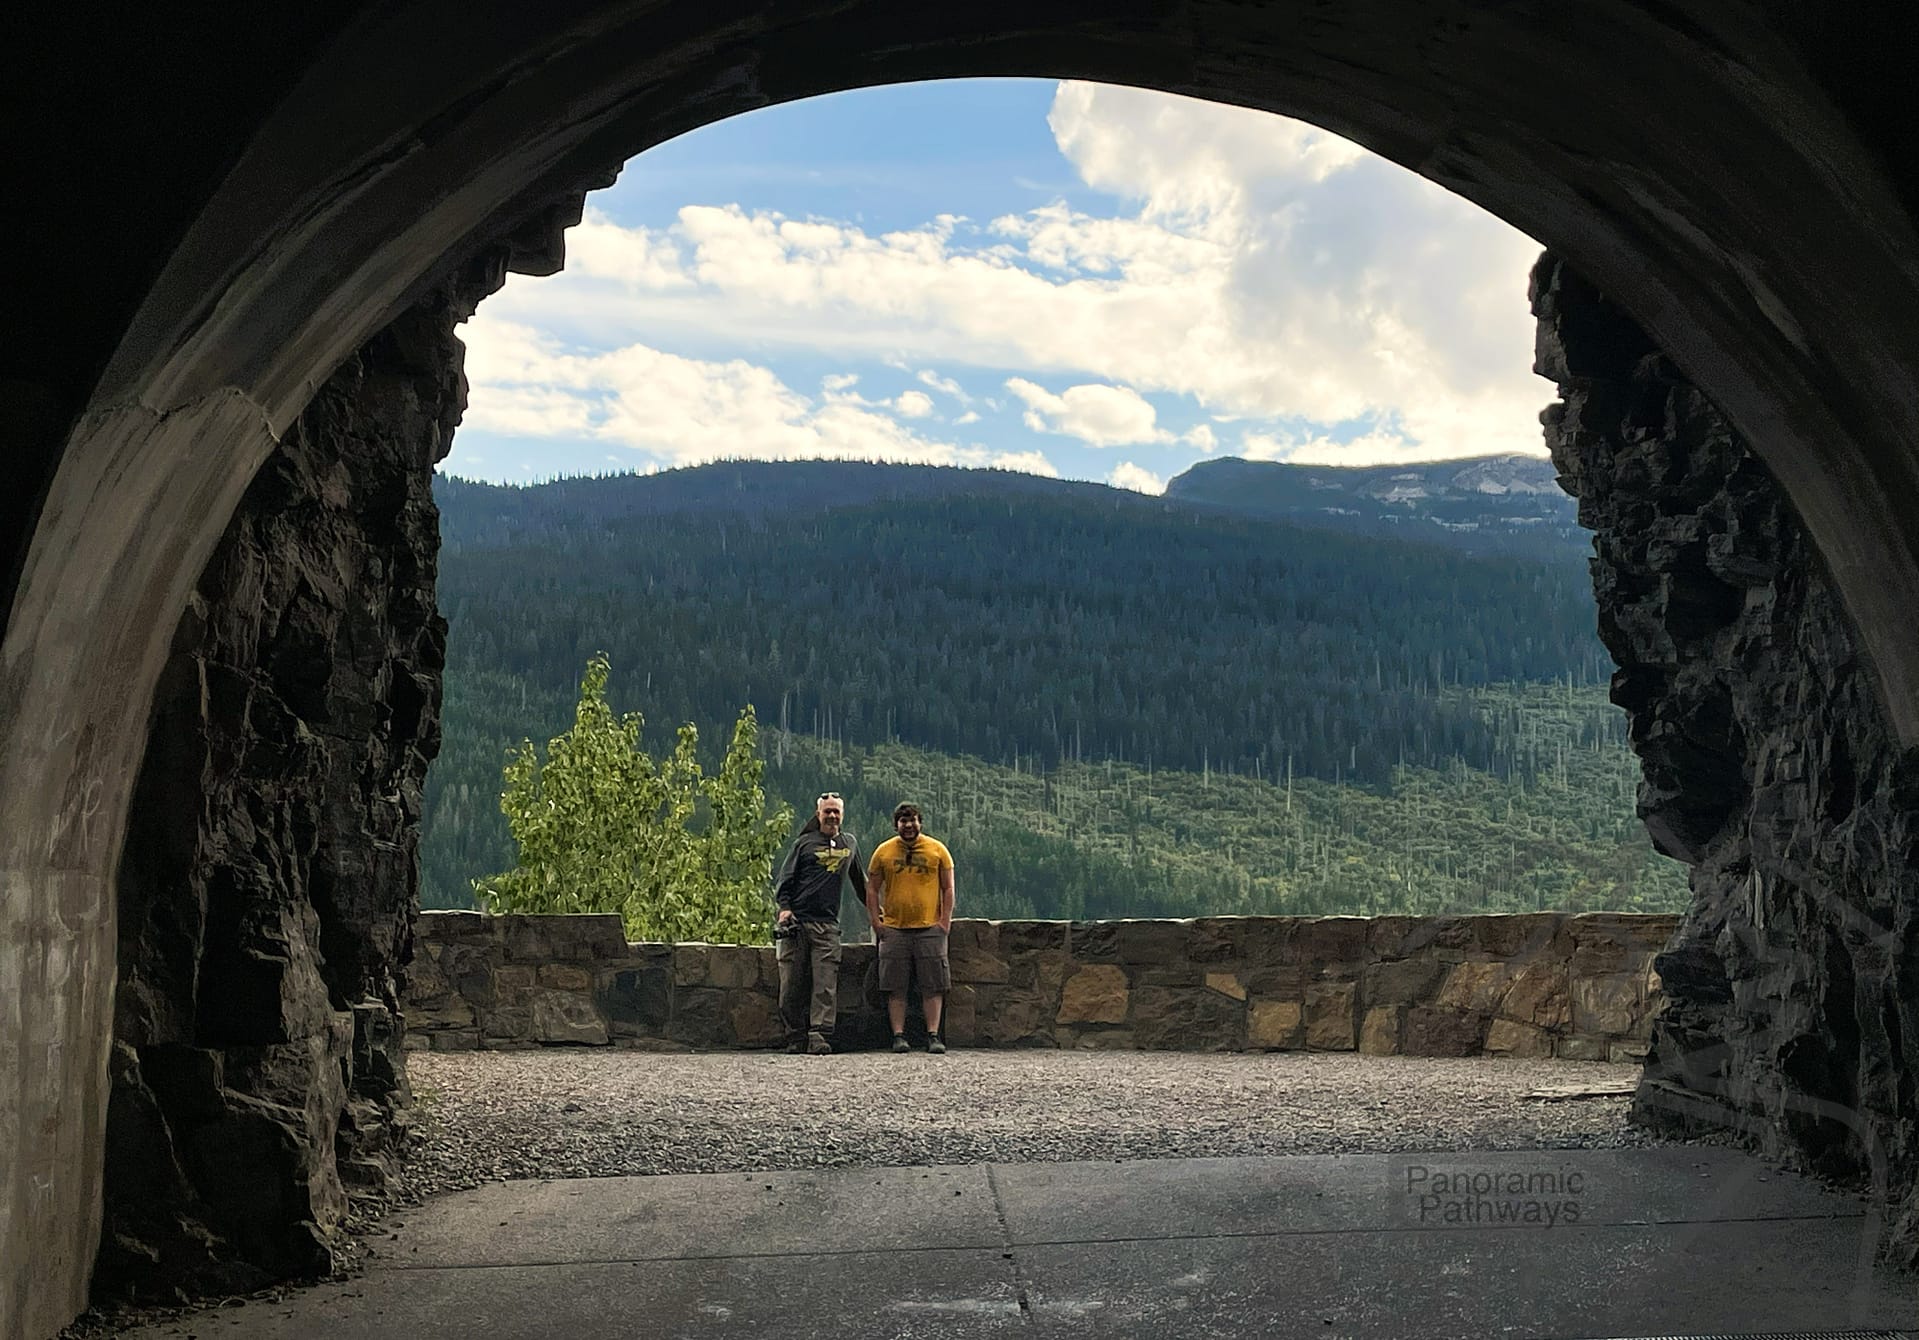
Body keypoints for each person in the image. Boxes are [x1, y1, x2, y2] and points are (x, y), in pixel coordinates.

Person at [773, 792, 867, 1055]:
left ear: (842, 815)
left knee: (825, 984)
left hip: (827, 926)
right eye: (828, 811)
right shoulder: (803, 844)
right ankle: (794, 1036)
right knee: (791, 983)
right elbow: (785, 879)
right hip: (798, 923)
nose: (832, 816)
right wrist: (785, 908)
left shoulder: (850, 843)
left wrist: (877, 913)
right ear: (818, 815)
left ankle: (819, 1035)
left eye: (836, 811)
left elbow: (860, 882)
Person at [865, 801, 955, 1054]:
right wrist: (876, 921)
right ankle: (898, 1036)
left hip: (930, 928)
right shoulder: (883, 852)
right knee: (896, 986)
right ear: (896, 825)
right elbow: (871, 888)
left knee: (933, 984)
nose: (909, 825)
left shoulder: (938, 850)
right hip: (894, 929)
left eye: (913, 820)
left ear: (920, 822)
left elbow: (948, 887)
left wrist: (944, 921)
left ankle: (933, 1035)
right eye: (904, 821)